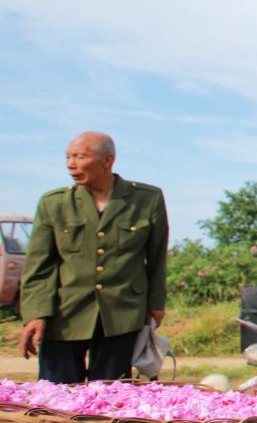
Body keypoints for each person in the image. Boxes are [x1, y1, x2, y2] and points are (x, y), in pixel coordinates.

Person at [18, 132, 168, 383]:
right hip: (64, 314)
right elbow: (39, 266)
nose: (70, 164)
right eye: (68, 157)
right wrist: (36, 314)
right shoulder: (54, 203)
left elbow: (156, 259)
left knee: (111, 397)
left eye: (79, 156)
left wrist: (156, 304)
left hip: (122, 314)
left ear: (107, 160)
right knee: (57, 395)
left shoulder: (146, 200)